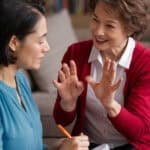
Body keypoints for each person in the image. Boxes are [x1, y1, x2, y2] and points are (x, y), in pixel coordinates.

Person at [53, 0, 150, 149]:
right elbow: (61, 120)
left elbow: (138, 132)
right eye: (95, 19)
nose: (98, 31)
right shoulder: (75, 53)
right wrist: (68, 102)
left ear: (130, 29)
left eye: (109, 26)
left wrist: (110, 104)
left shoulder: (145, 62)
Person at [0, 0, 89, 149]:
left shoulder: (20, 80)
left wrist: (60, 146)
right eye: (40, 41)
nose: (47, 47)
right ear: (14, 43)